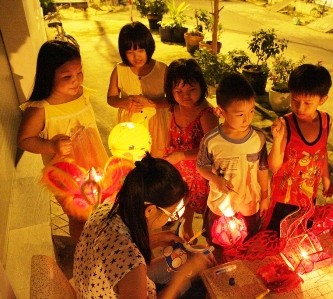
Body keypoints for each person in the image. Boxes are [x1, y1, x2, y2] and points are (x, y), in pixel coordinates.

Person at [74, 153, 214, 298]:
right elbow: (129, 263)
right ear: (150, 210)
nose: (170, 219)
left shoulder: (106, 210)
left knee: (195, 256)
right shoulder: (132, 264)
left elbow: (115, 250)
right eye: (171, 214)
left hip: (93, 288)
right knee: (200, 285)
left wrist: (155, 240)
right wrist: (180, 280)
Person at [17, 40, 108, 239]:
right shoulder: (41, 108)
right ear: (48, 76)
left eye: (79, 72)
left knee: (97, 208)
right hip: (66, 175)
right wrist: (51, 145)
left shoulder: (83, 94)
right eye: (67, 76)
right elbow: (24, 140)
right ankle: (81, 251)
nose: (77, 80)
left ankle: (96, 243)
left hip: (93, 165)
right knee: (77, 215)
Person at [196, 73, 269, 257]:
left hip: (249, 204)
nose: (247, 119)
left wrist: (266, 195)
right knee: (218, 244)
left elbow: (262, 168)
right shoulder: (212, 140)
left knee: (248, 243)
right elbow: (201, 166)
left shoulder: (258, 138)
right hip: (220, 205)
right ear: (220, 112)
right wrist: (215, 179)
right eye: (240, 114)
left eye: (252, 111)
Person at [263, 63, 333, 233]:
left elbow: (321, 153)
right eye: (295, 100)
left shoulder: (326, 121)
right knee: (276, 237)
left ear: (322, 100)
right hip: (284, 200)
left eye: (308, 102)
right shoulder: (285, 124)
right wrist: (278, 139)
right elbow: (274, 167)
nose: (300, 107)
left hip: (309, 196)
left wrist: (326, 179)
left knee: (300, 235)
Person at [163, 58, 219, 242]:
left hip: (200, 172)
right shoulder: (174, 108)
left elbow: (210, 147)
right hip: (180, 169)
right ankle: (186, 229)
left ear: (201, 87)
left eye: (191, 90)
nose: (185, 96)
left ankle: (208, 234)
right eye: (179, 91)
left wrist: (183, 155)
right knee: (185, 201)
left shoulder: (206, 114)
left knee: (203, 206)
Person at [107, 21, 170, 158]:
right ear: (123, 53)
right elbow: (110, 98)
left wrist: (151, 103)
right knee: (132, 160)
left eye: (141, 51)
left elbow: (172, 101)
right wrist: (123, 102)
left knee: (157, 158)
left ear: (149, 47)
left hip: (157, 123)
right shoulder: (119, 70)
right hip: (130, 125)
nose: (136, 57)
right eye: (130, 52)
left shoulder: (162, 69)